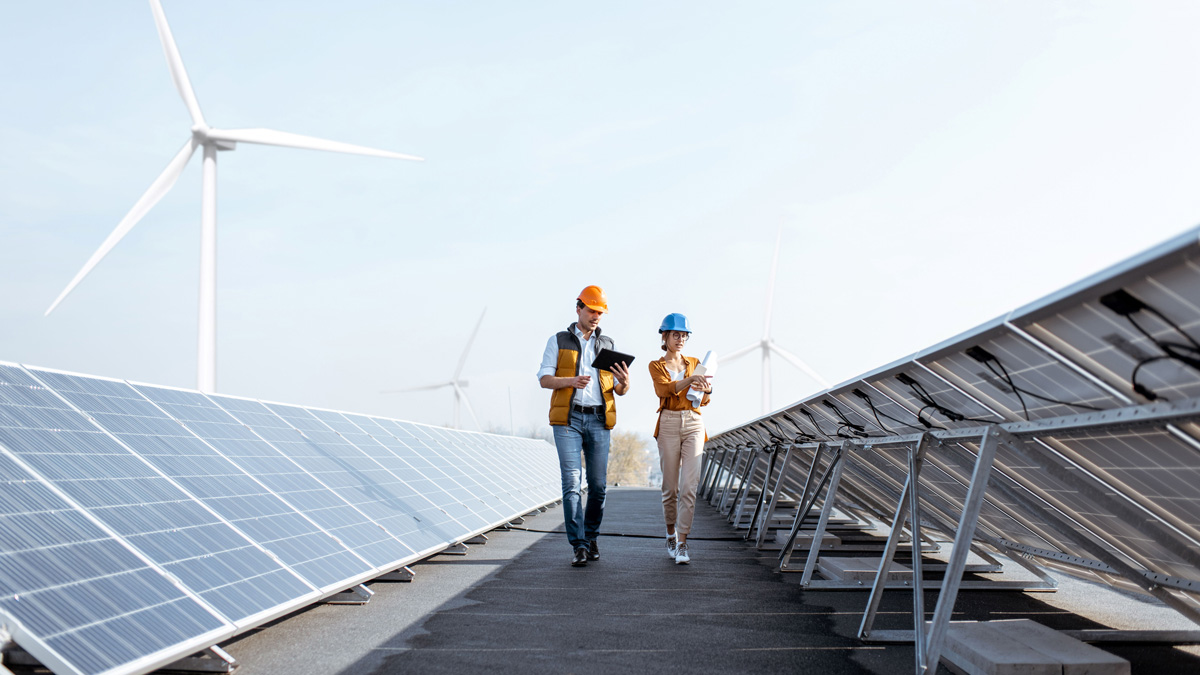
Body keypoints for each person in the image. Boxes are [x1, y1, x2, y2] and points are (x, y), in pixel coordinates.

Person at [538, 285, 631, 567]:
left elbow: (617, 388)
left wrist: (625, 383)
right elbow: (544, 379)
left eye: (600, 312)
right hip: (568, 419)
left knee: (599, 486)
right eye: (592, 310)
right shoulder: (558, 340)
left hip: (599, 419)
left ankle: (591, 538)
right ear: (578, 308)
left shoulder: (608, 344)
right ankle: (577, 545)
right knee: (572, 484)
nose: (596, 316)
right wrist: (570, 381)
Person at [648, 313, 711, 564]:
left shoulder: (695, 363)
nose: (681, 339)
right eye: (676, 335)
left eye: (684, 335)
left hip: (694, 422)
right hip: (669, 423)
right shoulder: (656, 365)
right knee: (670, 488)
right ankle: (670, 533)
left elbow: (704, 400)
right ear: (665, 337)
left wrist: (705, 390)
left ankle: (683, 543)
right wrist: (689, 380)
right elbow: (663, 390)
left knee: (689, 487)